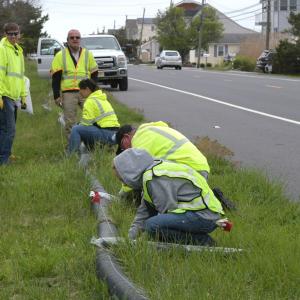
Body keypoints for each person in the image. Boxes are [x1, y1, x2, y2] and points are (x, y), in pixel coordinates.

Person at [113, 148, 224, 245]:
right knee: (152, 224)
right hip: (202, 214)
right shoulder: (150, 175)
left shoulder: (154, 178)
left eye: (122, 179)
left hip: (204, 216)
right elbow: (143, 214)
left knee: (153, 225)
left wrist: (142, 241)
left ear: (130, 171)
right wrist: (129, 240)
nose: (124, 184)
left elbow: (166, 212)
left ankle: (204, 242)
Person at [51, 29, 98, 138]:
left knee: (93, 118)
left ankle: (92, 144)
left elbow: (95, 74)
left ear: (80, 39)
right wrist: (56, 96)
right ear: (67, 40)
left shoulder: (88, 54)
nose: (75, 39)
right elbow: (56, 78)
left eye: (77, 37)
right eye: (72, 37)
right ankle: (72, 148)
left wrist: (94, 92)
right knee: (70, 122)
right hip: (68, 93)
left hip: (86, 93)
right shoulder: (60, 55)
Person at [68, 79, 120, 154]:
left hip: (107, 134)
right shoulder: (101, 98)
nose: (79, 92)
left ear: (87, 89)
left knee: (76, 129)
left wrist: (78, 124)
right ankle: (91, 153)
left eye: (81, 90)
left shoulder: (90, 101)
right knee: (84, 129)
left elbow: (86, 123)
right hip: (115, 134)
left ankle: (71, 155)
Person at [0, 23, 27, 165]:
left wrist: (23, 96)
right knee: (9, 130)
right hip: (5, 96)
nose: (13, 36)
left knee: (6, 129)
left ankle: (6, 155)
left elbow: (20, 76)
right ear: (5, 34)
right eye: (10, 33)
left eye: (15, 33)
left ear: (19, 34)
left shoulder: (18, 51)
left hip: (14, 97)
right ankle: (3, 160)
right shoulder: (2, 49)